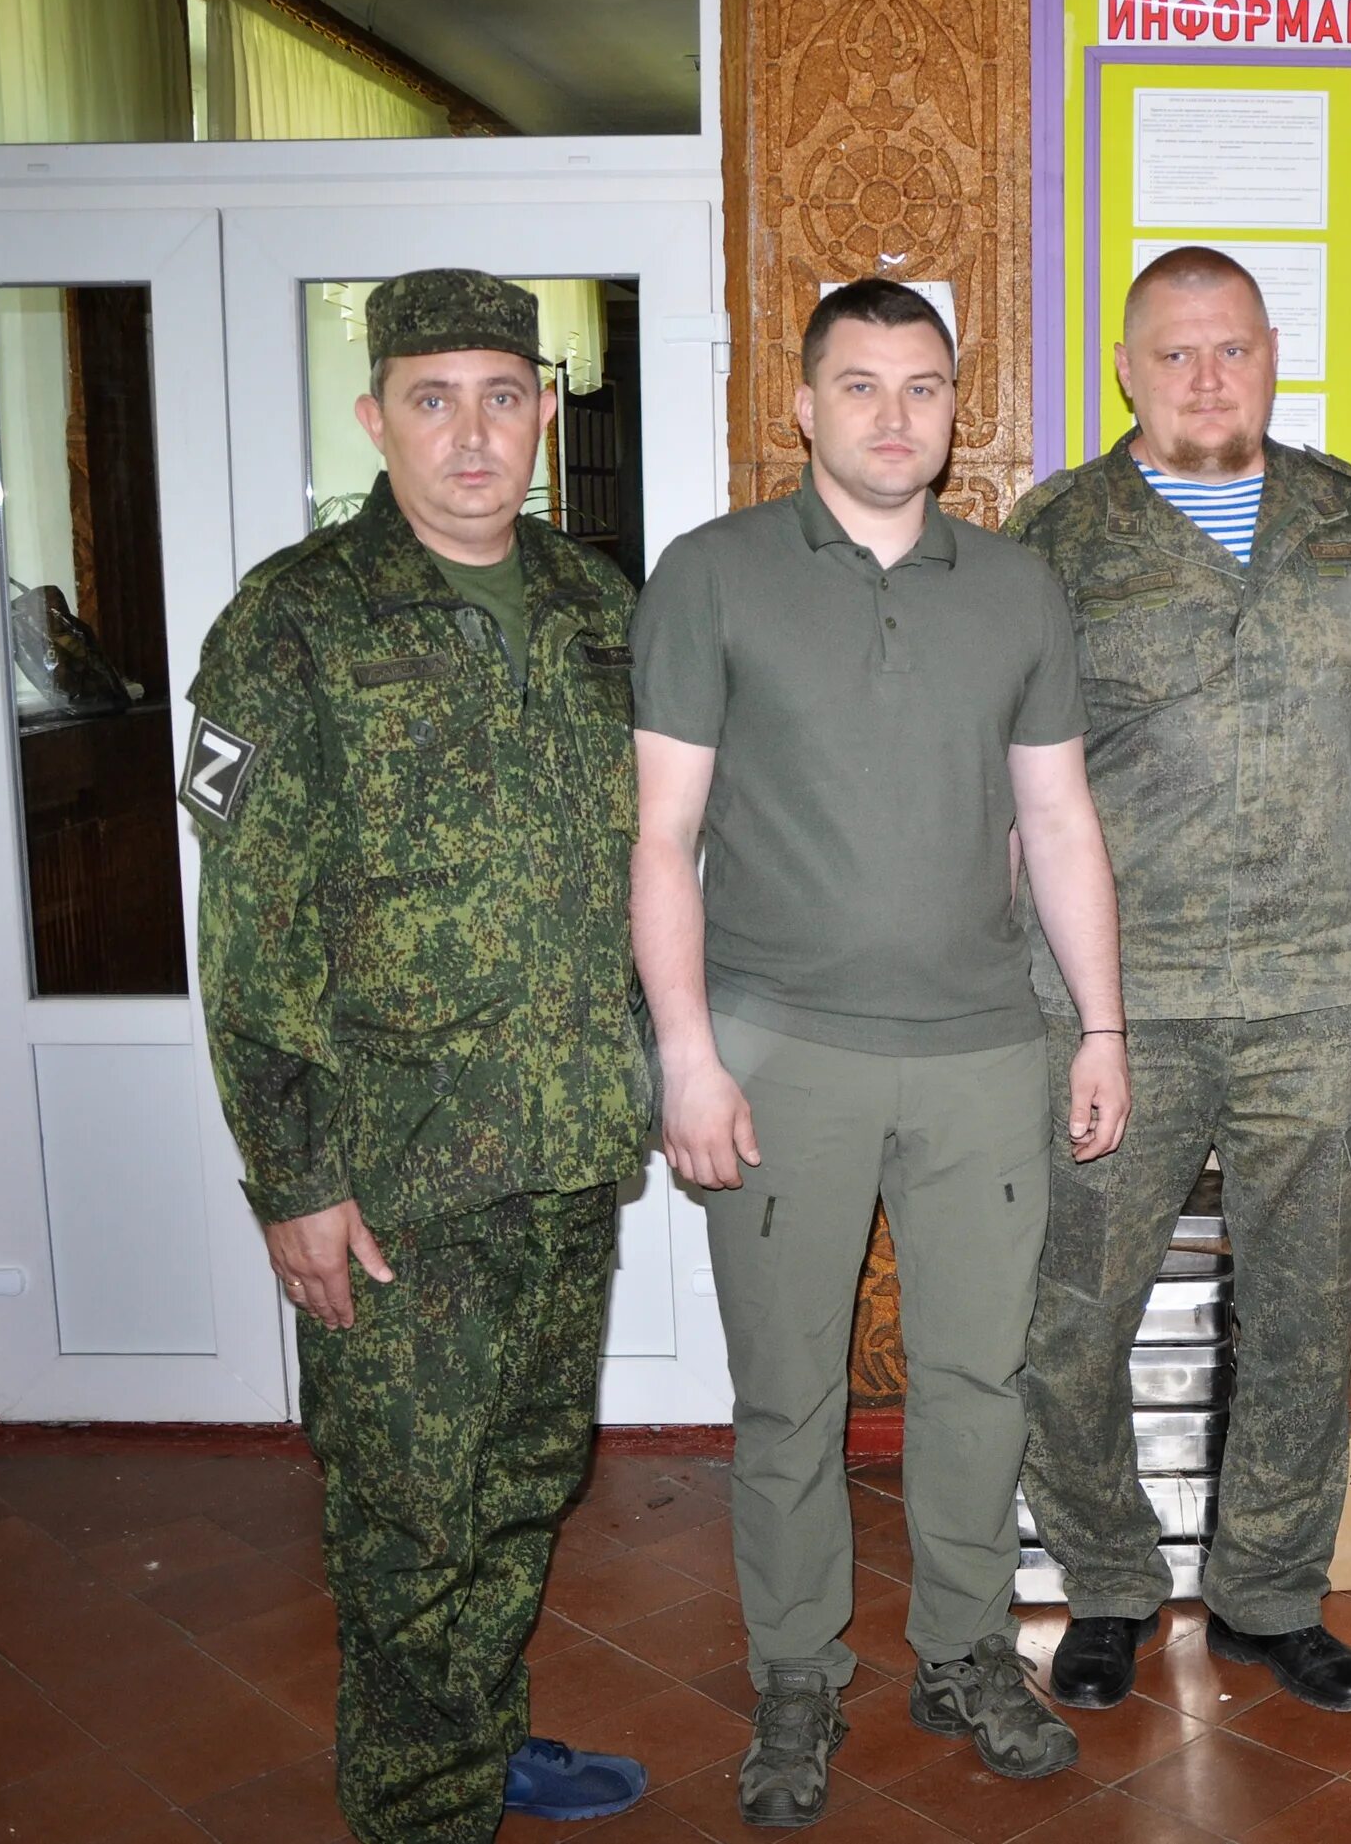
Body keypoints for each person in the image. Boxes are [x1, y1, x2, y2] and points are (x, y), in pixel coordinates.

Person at [630, 277, 1128, 1827]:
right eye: (860, 385)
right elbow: (664, 838)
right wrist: (688, 1056)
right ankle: (795, 1672)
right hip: (783, 1054)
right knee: (788, 1392)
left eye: (922, 386)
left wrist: (1099, 1024)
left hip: (985, 1050)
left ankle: (967, 1649)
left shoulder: (1018, 589)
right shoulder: (710, 578)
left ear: (954, 404)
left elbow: (1057, 821)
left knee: (981, 1377)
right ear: (802, 403)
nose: (894, 415)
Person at [184, 267, 650, 1841]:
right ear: (376, 416)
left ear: (541, 414)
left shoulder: (601, 609)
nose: (472, 435)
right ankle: (416, 1803)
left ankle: (483, 1729)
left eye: (503, 396)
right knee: (404, 1514)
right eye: (434, 400)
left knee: (526, 1475)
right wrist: (293, 1174)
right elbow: (246, 933)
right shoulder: (291, 621)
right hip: (395, 1175)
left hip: (569, 1136)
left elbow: (658, 861)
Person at [1009, 247, 1351, 1715]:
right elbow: (1010, 778)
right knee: (1079, 1312)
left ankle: (1268, 1593)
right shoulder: (1057, 533)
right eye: (1175, 353)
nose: (1207, 376)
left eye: (1232, 347)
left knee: (1306, 1312)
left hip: (1313, 983)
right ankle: (1109, 1579)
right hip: (1122, 995)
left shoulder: (1349, 520)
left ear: (1272, 353)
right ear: (1127, 367)